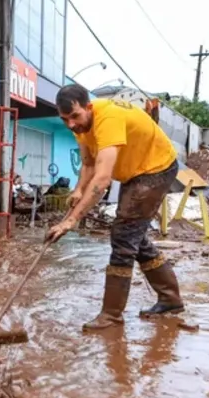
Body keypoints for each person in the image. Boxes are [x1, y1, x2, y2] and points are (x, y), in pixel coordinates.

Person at [45, 84, 184, 329]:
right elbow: (88, 165)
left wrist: (70, 220)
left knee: (123, 237)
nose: (70, 124)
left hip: (156, 168)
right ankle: (170, 298)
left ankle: (111, 315)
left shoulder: (107, 119)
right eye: (64, 119)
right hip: (134, 173)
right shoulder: (80, 125)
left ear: (88, 107)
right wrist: (78, 190)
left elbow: (102, 179)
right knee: (133, 237)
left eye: (74, 117)